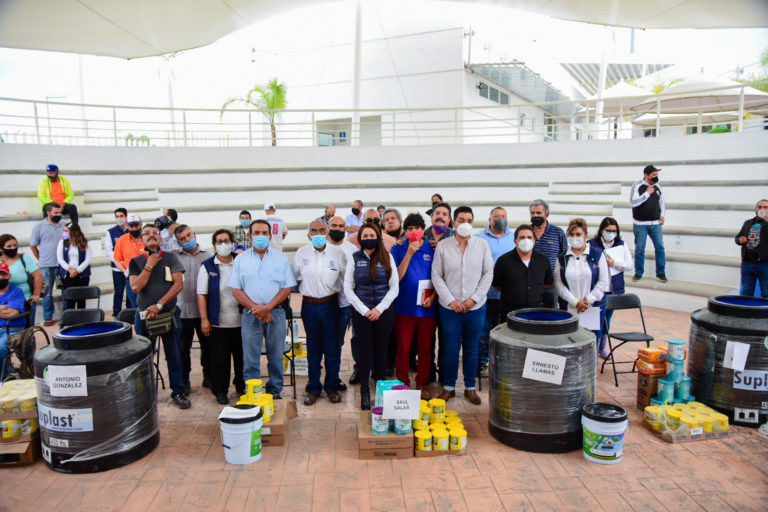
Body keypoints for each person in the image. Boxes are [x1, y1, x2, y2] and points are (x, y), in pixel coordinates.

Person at [432, 206, 493, 405]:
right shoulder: (443, 246)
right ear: (454, 222)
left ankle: (470, 388)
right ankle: (448, 387)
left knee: (471, 349)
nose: (464, 223)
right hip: (450, 308)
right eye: (461, 219)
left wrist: (472, 299)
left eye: (469, 220)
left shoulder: (482, 245)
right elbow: (437, 276)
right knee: (450, 348)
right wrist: (452, 300)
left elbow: (487, 274)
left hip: (475, 308)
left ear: (472, 223)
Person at [229, 219, 296, 398]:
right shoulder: (240, 260)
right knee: (250, 357)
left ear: (270, 235)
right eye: (256, 233)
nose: (261, 236)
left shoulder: (281, 258)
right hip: (250, 314)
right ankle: (254, 391)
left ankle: (275, 390)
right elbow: (236, 290)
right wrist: (257, 309)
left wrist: (268, 308)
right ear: (250, 236)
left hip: (276, 313)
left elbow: (287, 287)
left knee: (276, 356)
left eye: (264, 233)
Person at [129, 223, 190, 409]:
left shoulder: (170, 258)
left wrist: (160, 304)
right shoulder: (136, 261)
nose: (151, 236)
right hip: (144, 316)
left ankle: (178, 391)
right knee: (143, 356)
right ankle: (144, 394)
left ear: (161, 238)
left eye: (155, 233)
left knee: (174, 354)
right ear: (141, 238)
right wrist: (149, 265)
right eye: (146, 233)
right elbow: (136, 287)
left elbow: (178, 285)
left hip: (168, 313)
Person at [343, 222, 399, 410]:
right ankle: (365, 390)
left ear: (378, 237)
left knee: (381, 351)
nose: (368, 239)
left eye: (371, 235)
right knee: (364, 351)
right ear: (360, 239)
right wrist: (365, 310)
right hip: (362, 314)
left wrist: (379, 309)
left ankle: (381, 389)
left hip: (383, 313)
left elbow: (394, 288)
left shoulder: (387, 257)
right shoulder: (354, 258)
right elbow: (348, 288)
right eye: (364, 236)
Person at [293, 219, 346, 405]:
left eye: (321, 230)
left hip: (331, 306)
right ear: (309, 235)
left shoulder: (338, 253)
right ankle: (314, 387)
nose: (318, 234)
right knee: (313, 349)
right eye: (314, 230)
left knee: (332, 349)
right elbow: (293, 277)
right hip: (309, 306)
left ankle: (331, 387)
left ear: (327, 233)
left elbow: (346, 281)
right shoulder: (302, 253)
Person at [391, 213, 437, 399]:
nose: (414, 232)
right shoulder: (399, 248)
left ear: (423, 230)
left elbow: (440, 276)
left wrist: (434, 296)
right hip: (404, 306)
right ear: (405, 231)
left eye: (417, 228)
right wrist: (409, 253)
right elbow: (397, 277)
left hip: (427, 307)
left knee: (425, 348)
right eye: (410, 229)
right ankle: (402, 382)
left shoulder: (433, 248)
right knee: (403, 347)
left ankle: (422, 382)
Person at [197, 229, 245, 404]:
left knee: (241, 358)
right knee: (220, 360)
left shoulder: (241, 262)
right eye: (219, 242)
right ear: (214, 245)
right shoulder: (208, 266)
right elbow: (202, 294)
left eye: (226, 241)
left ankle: (241, 385)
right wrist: (204, 319)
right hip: (218, 323)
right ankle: (221, 390)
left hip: (241, 322)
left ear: (232, 243)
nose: (223, 245)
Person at [555, 218, 611, 350]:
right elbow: (558, 283)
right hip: (569, 307)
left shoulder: (598, 255)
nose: (575, 238)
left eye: (578, 234)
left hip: (592, 307)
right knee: (569, 344)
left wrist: (588, 301)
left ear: (585, 235)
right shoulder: (562, 257)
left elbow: (603, 281)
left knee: (590, 346)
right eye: (572, 234)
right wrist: (575, 301)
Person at [475, 206, 516, 374]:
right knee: (484, 329)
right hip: (486, 294)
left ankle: (500, 365)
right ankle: (482, 362)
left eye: (503, 216)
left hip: (508, 295)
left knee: (505, 330)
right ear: (490, 220)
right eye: (496, 216)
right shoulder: (479, 238)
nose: (500, 219)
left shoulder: (514, 237)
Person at [174, 224, 213, 394]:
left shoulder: (209, 256)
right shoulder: (173, 257)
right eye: (182, 239)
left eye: (189, 235)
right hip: (182, 311)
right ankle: (184, 381)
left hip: (203, 312)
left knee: (208, 348)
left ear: (194, 235)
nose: (187, 240)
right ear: (178, 242)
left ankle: (209, 377)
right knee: (183, 349)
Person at [590, 217, 634, 357]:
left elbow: (629, 265)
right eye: (608, 230)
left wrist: (614, 263)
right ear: (601, 230)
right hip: (597, 289)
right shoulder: (592, 244)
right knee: (595, 320)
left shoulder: (621, 245)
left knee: (606, 320)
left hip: (614, 289)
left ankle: (602, 348)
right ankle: (593, 348)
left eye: (614, 231)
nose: (611, 233)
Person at [492, 225, 554, 321]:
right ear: (515, 241)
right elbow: (497, 285)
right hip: (510, 314)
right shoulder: (503, 261)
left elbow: (547, 283)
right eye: (522, 237)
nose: (526, 240)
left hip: (536, 313)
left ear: (534, 241)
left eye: (529, 237)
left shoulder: (543, 260)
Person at [326, 215, 358, 387]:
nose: (338, 229)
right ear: (328, 226)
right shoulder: (322, 247)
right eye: (334, 225)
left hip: (350, 302)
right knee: (335, 342)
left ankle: (358, 370)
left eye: (341, 226)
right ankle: (334, 377)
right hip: (330, 303)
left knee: (357, 339)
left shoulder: (352, 249)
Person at [29, 202, 65, 325]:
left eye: (60, 212)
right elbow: (33, 245)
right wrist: (41, 258)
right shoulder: (39, 226)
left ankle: (66, 315)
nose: (58, 214)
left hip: (62, 264)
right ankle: (48, 317)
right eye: (55, 212)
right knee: (47, 293)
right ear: (48, 213)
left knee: (65, 291)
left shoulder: (64, 225)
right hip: (46, 265)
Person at [630, 164, 667, 283]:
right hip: (640, 224)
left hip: (655, 224)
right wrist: (647, 193)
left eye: (657, 175)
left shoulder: (657, 186)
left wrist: (662, 215)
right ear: (646, 175)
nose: (656, 177)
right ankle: (638, 273)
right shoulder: (637, 186)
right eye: (653, 175)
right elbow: (633, 202)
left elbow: (662, 202)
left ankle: (661, 272)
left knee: (660, 247)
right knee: (640, 249)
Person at [0, 234, 42, 325]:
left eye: (15, 245)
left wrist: (36, 294)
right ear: (1, 249)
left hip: (25, 300)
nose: (13, 248)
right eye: (9, 246)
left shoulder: (24, 258)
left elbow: (38, 275)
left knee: (27, 329)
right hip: (3, 299)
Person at [736, 199, 768, 298]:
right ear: (756, 210)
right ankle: (746, 312)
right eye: (760, 207)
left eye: (765, 207)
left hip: (764, 264)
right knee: (746, 292)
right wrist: (740, 240)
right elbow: (737, 238)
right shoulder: (748, 223)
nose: (762, 209)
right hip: (747, 263)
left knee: (766, 293)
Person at [113, 213, 145, 309]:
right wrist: (124, 271)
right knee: (135, 306)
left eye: (136, 225)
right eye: (131, 226)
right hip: (131, 278)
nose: (134, 228)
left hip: (147, 277)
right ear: (127, 226)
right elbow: (117, 259)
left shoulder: (147, 238)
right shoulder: (122, 240)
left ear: (141, 224)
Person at [56, 223, 92, 310]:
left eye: (66, 231)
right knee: (70, 300)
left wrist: (77, 270)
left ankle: (81, 321)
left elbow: (88, 259)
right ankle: (70, 321)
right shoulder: (63, 242)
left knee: (81, 300)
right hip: (68, 275)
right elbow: (60, 258)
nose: (64, 233)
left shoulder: (85, 242)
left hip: (82, 275)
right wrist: (70, 269)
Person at [0, 264, 26, 375]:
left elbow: (12, 313)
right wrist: (4, 307)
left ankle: (4, 376)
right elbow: (8, 311)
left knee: (0, 347)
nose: (0, 277)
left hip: (13, 329)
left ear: (9, 276)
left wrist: (8, 309)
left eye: (3, 274)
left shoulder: (16, 291)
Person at [103, 208, 130, 316]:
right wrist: (119, 261)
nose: (119, 218)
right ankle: (117, 313)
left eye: (121, 216)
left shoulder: (132, 230)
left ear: (126, 216)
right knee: (119, 291)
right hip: (117, 267)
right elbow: (108, 250)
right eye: (117, 216)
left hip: (130, 267)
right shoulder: (111, 232)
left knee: (131, 292)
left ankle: (130, 312)